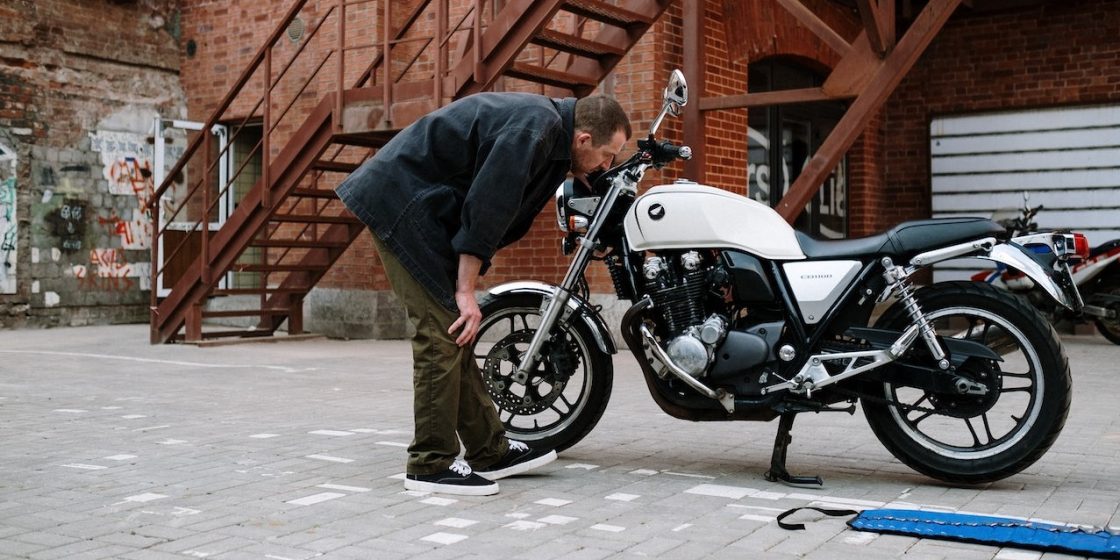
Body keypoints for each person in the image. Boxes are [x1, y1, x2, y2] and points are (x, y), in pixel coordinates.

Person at [336, 92, 631, 495]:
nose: (606, 166)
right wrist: (465, 290)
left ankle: (489, 450)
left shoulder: (548, 132)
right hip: (401, 205)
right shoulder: (535, 128)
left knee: (453, 333)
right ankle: (429, 464)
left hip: (424, 209)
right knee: (441, 334)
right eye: (606, 155)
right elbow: (489, 206)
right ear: (582, 139)